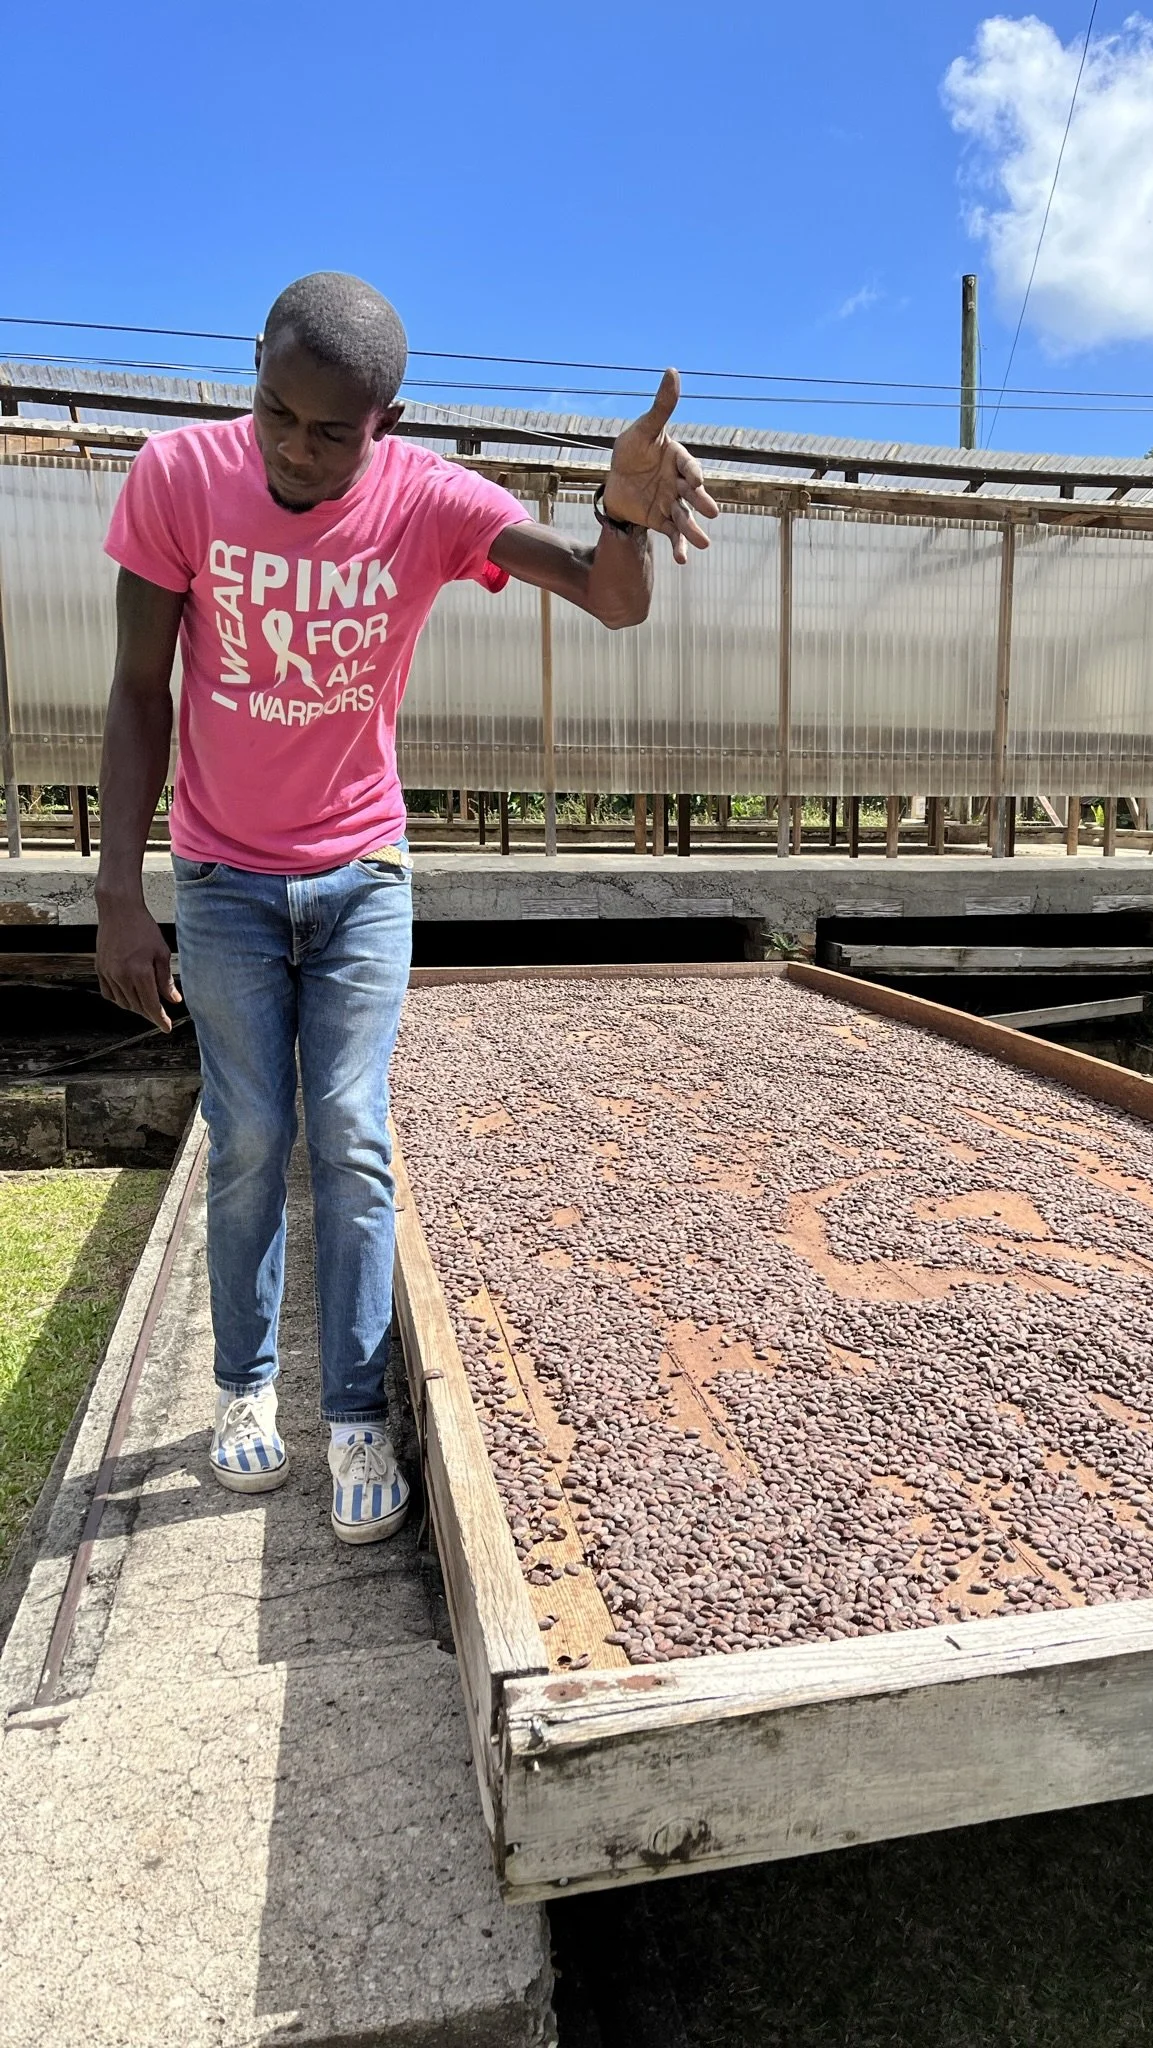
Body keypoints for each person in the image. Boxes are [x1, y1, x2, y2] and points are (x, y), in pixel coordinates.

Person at [94, 271, 718, 1543]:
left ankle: (361, 1410)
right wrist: (115, 892)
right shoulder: (174, 480)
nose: (297, 449)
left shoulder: (425, 501)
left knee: (353, 1130)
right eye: (277, 412)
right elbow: (137, 695)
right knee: (252, 1133)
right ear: (253, 370)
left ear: (387, 420)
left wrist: (619, 510)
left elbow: (611, 597)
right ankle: (244, 1387)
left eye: (334, 431)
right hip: (220, 876)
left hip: (363, 872)